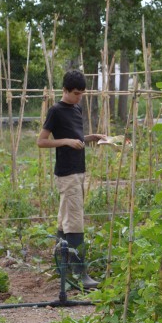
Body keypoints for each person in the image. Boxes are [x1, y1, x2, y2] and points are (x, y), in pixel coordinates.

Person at [37, 69, 106, 289]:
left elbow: (77, 138)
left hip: (78, 170)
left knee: (64, 218)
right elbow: (41, 141)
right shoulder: (55, 111)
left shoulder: (76, 108)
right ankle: (80, 273)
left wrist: (91, 138)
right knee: (75, 220)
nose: (79, 97)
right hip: (67, 173)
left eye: (82, 94)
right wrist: (66, 141)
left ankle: (61, 267)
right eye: (76, 93)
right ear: (65, 90)